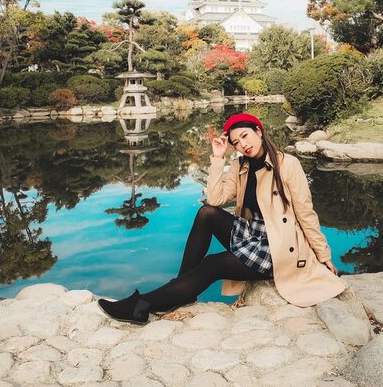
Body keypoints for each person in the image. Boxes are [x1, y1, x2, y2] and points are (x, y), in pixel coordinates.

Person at [98, 112, 345, 325]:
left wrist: (324, 256)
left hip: (278, 245)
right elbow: (215, 199)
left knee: (213, 264)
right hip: (253, 233)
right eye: (236, 142)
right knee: (206, 214)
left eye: (246, 136)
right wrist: (218, 158)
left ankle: (142, 305)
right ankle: (180, 289)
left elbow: (306, 214)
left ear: (259, 131)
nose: (243, 145)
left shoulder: (287, 164)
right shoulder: (240, 166)